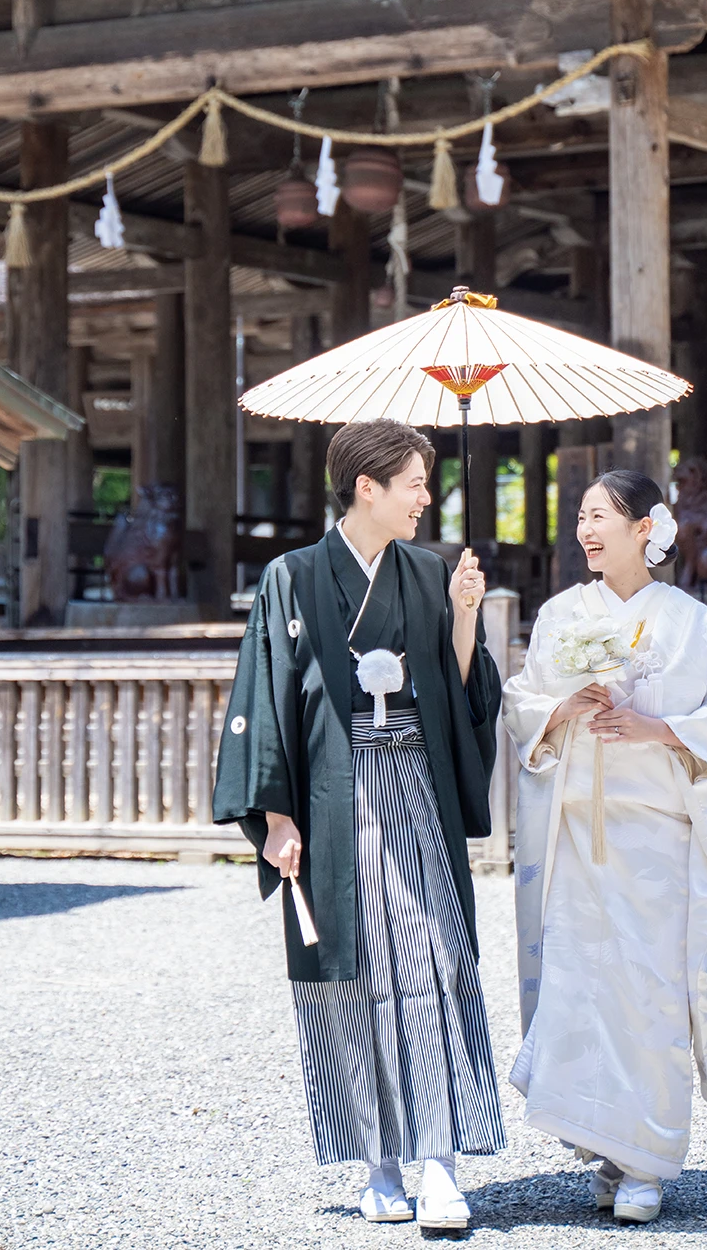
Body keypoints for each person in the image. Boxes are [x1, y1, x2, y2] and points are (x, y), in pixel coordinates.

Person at [213, 418, 506, 1229]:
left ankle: (440, 1162)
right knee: (353, 970)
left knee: (438, 955)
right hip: (334, 800)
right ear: (366, 488)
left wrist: (464, 616)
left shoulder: (426, 571)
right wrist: (276, 814)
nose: (426, 498)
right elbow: (267, 695)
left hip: (415, 780)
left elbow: (458, 687)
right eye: (414, 483)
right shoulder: (292, 576)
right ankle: (380, 1165)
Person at [501, 469, 707, 1224]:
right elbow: (521, 701)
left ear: (647, 527)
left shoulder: (688, 621)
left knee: (648, 991)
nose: (587, 528)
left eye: (601, 515)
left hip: (655, 838)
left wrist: (658, 728)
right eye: (580, 515)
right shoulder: (557, 614)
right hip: (580, 832)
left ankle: (647, 1162)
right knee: (584, 989)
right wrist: (562, 708)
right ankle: (604, 1150)